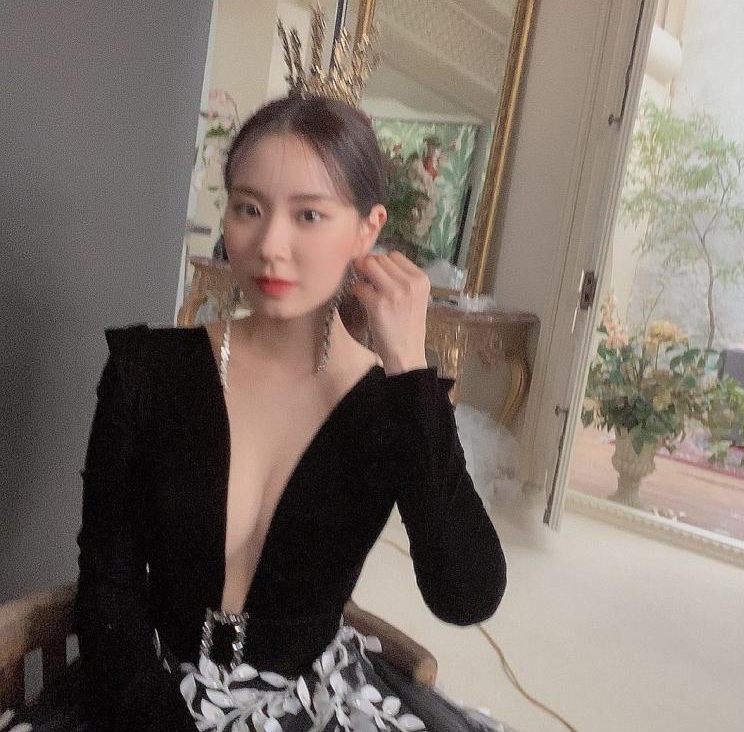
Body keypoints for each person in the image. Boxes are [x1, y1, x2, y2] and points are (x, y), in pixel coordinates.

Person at [6, 95, 508, 732]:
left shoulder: (392, 405)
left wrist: (409, 367)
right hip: (143, 696)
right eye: (248, 209)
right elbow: (109, 584)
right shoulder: (148, 372)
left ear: (367, 228)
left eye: (308, 215)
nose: (270, 245)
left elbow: (466, 595)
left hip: (317, 704)